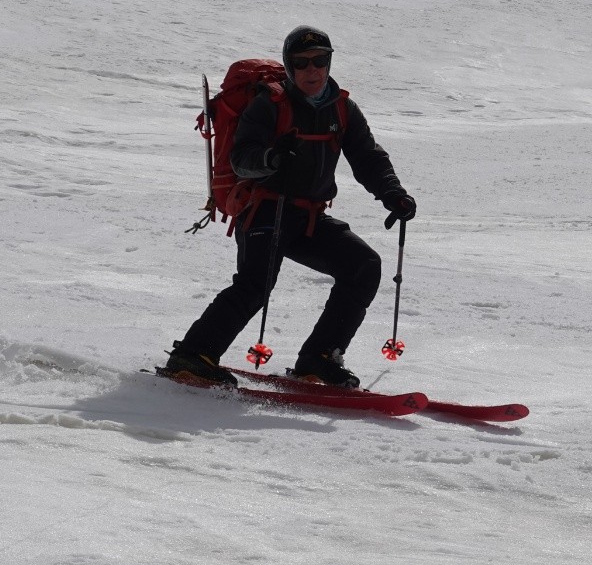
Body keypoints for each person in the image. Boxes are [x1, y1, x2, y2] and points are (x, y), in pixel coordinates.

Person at [164, 26, 417, 388]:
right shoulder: (270, 104)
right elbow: (242, 158)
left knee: (362, 266)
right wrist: (270, 157)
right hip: (265, 210)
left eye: (320, 60)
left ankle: (319, 359)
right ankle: (192, 355)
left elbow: (368, 158)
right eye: (302, 63)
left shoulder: (342, 108)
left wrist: (394, 194)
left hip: (309, 217)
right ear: (289, 65)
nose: (312, 70)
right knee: (255, 283)